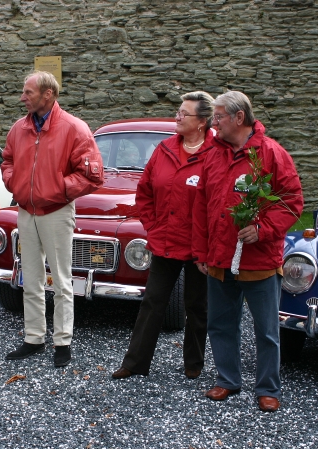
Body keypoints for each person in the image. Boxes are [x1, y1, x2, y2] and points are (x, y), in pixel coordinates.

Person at [192, 91, 303, 412]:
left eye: (218, 117)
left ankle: (267, 388)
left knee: (267, 330)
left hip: (259, 262)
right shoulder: (212, 155)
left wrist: (263, 229)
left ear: (239, 118)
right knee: (220, 325)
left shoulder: (271, 153)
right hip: (219, 260)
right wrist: (201, 252)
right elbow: (201, 208)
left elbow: (291, 201)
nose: (213, 124)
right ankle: (228, 380)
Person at [111, 91, 221, 380]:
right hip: (165, 240)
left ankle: (193, 365)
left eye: (184, 113)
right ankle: (135, 363)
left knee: (198, 306)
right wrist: (153, 225)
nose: (178, 116)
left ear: (201, 121)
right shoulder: (164, 149)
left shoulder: (217, 153)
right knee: (153, 302)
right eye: (178, 111)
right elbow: (145, 191)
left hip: (201, 245)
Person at [1, 71, 104, 367]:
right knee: (29, 278)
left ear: (48, 94)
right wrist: (15, 183)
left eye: (28, 92)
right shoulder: (19, 128)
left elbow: (92, 174)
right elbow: (7, 160)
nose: (23, 97)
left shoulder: (74, 128)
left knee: (61, 279)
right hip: (26, 211)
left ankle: (63, 341)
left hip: (57, 212)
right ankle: (33, 337)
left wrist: (57, 190)